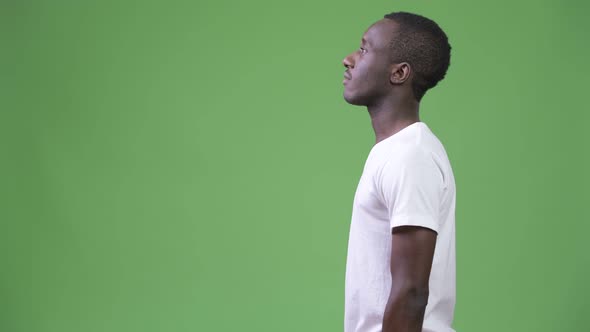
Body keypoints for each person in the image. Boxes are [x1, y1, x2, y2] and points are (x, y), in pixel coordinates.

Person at [342, 12, 456, 332]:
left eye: (364, 49)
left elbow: (411, 292)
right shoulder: (396, 151)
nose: (348, 59)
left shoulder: (410, 155)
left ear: (399, 73)